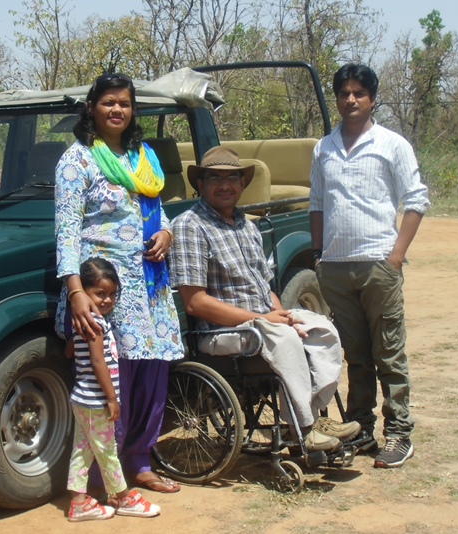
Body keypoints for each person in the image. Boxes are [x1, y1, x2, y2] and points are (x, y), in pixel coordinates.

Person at [170, 146, 360, 454]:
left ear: (242, 184)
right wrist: (261, 320)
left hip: (262, 323)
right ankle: (303, 428)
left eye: (232, 178)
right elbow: (196, 303)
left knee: (321, 327)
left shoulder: (247, 225)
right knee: (284, 338)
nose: (225, 185)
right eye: (214, 178)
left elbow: (264, 287)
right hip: (217, 332)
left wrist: (283, 314)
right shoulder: (190, 227)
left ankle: (312, 418)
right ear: (200, 185)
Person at [55, 72, 183, 494]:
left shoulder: (141, 156)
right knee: (114, 374)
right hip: (106, 287)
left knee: (152, 371)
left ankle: (141, 461)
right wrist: (75, 291)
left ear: (133, 110)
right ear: (92, 107)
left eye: (124, 103)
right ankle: (103, 475)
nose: (117, 110)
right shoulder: (77, 161)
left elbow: (155, 207)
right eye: (108, 102)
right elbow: (67, 231)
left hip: (150, 281)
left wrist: (165, 231)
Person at [309, 63, 430, 469]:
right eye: (344, 93)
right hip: (337, 268)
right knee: (356, 355)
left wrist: (395, 256)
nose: (350, 99)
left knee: (388, 353)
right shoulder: (323, 147)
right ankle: (360, 428)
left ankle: (398, 434)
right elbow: (317, 204)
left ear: (372, 98)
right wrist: (318, 255)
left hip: (379, 263)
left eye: (359, 92)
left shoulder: (391, 144)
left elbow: (416, 200)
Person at [67, 258, 160, 521]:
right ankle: (122, 497)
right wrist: (112, 398)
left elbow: (69, 351)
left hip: (81, 399)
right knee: (107, 450)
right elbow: (98, 362)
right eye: (100, 293)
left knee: (82, 450)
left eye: (111, 294)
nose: (107, 300)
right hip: (95, 400)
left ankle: (79, 503)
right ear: (82, 292)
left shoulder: (85, 323)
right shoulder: (94, 325)